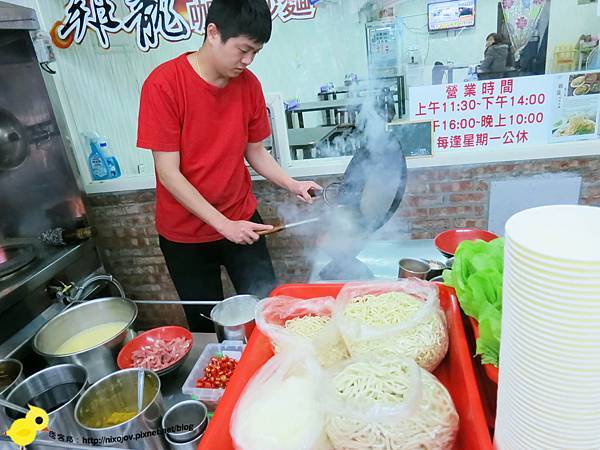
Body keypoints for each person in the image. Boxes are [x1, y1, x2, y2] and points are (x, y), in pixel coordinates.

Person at [136, 0, 321, 331]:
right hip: (185, 236)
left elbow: (256, 152)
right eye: (243, 50)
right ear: (213, 33)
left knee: (268, 311)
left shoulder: (249, 85)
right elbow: (168, 173)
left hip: (242, 221)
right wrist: (224, 225)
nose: (248, 61)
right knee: (207, 327)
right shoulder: (163, 85)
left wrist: (292, 184)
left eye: (256, 52)